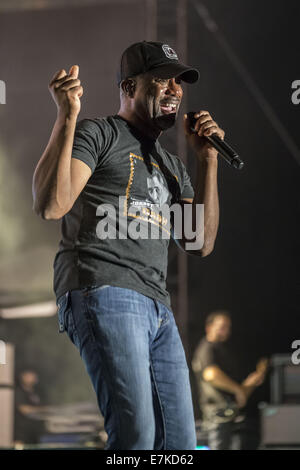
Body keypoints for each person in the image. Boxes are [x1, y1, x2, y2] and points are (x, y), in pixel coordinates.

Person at [32, 40, 224, 450]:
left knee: (179, 445)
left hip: (158, 309)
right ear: (130, 87)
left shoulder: (173, 166)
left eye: (179, 82)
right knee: (136, 437)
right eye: (162, 81)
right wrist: (67, 116)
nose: (175, 89)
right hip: (104, 287)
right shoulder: (99, 133)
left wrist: (207, 160)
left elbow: (198, 242)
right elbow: (51, 205)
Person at [192, 311, 268, 450]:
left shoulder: (223, 349)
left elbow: (236, 391)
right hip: (218, 415)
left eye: (228, 327)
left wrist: (248, 385)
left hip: (231, 413)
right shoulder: (207, 348)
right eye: (222, 326)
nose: (226, 330)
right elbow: (211, 374)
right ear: (209, 327)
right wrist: (238, 389)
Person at [14, 369, 45, 445]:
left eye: (32, 375)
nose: (31, 377)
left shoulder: (36, 393)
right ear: (22, 376)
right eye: (28, 375)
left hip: (34, 433)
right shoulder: (18, 392)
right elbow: (24, 409)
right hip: (21, 433)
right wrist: (42, 410)